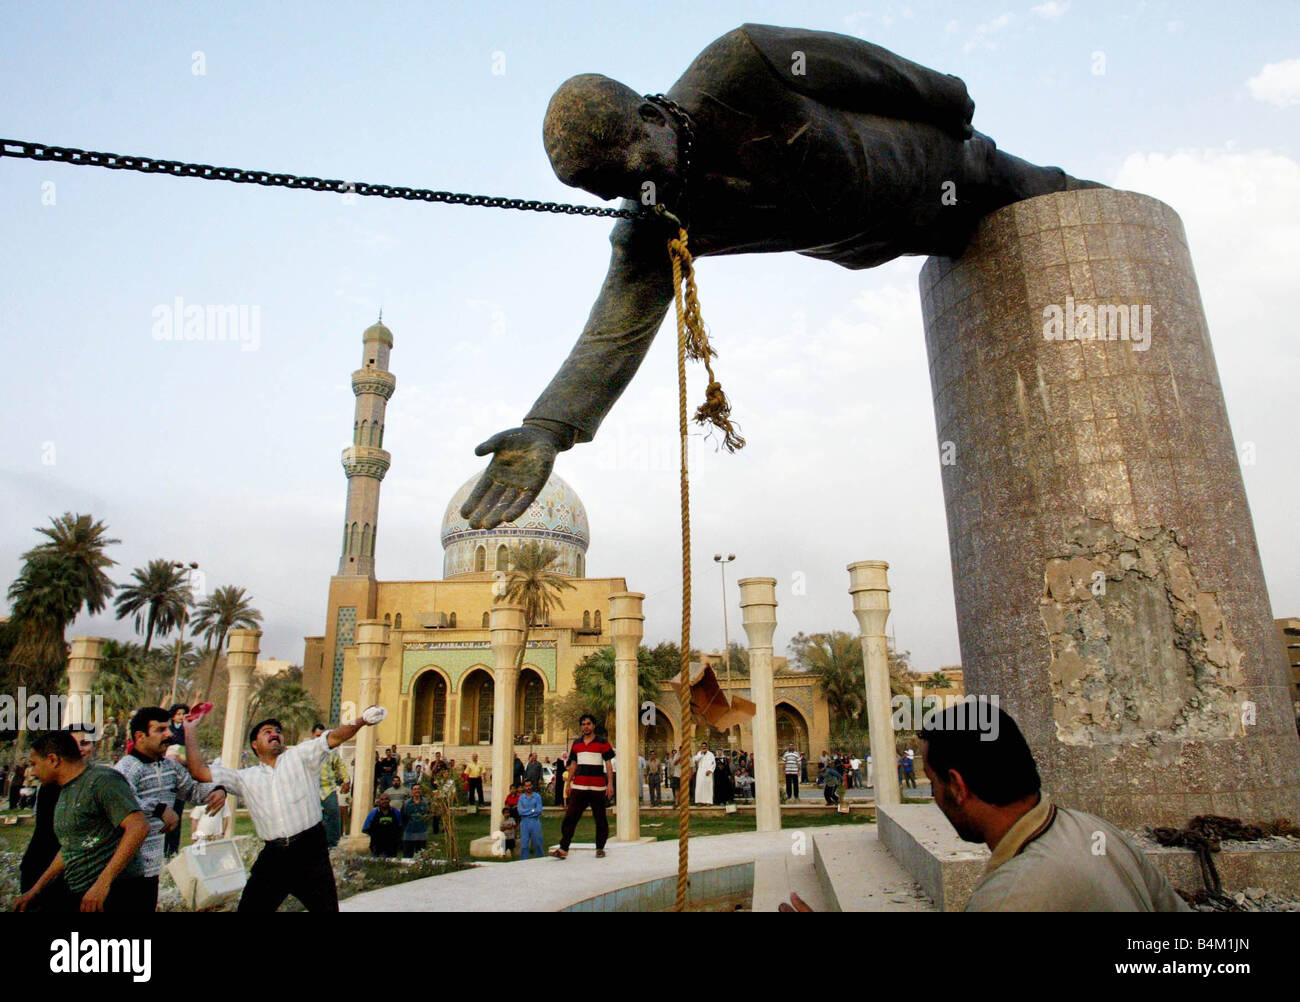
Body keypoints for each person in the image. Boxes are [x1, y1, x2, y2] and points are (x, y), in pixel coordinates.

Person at [459, 24, 1104, 531]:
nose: (632, 192)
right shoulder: (651, 223)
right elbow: (612, 331)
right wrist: (546, 429)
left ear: (652, 116)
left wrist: (944, 95)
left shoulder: (739, 67)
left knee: (1061, 206)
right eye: (610, 191)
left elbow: (859, 67)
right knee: (989, 259)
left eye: (630, 169)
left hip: (941, 165)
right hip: (887, 237)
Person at [923, 701, 1189, 912]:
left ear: (957, 786)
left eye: (933, 783)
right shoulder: (1098, 831)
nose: (934, 795)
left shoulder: (1005, 900)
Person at [179, 709, 381, 911]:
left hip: (310, 852)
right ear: (254, 745)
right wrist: (189, 730)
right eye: (267, 731)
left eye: (277, 731)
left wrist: (361, 720)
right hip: (274, 857)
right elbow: (199, 771)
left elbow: (334, 737)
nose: (274, 734)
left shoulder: (301, 757)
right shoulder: (245, 778)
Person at [15, 730, 151, 913]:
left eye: (34, 764)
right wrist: (35, 890)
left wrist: (102, 884)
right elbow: (71, 846)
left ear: (53, 760)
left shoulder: (102, 780)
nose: (32, 771)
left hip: (116, 892)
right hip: (84, 894)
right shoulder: (64, 790)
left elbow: (138, 827)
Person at [114, 707, 227, 909]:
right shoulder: (127, 767)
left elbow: (192, 790)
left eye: (168, 729)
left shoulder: (170, 767)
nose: (169, 734)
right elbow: (120, 801)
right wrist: (158, 809)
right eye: (160, 730)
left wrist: (218, 789)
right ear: (140, 736)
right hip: (123, 867)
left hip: (152, 868)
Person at [17, 726, 99, 912]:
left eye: (85, 743)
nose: (79, 749)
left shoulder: (99, 782)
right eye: (73, 743)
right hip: (45, 870)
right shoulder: (51, 786)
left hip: (73, 873)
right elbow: (52, 836)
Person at [552, 713, 614, 859]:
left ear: (593, 726)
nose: (586, 727)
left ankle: (600, 848)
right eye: (583, 724)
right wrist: (568, 783)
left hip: (597, 787)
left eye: (588, 724)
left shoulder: (602, 742)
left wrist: (610, 784)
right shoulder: (577, 743)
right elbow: (573, 764)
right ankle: (563, 848)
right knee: (570, 817)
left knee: (600, 819)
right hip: (579, 786)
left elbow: (609, 764)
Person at [312, 722, 352, 848]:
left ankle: (333, 845)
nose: (319, 739)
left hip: (328, 788)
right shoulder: (305, 751)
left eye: (321, 737)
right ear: (312, 735)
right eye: (317, 736)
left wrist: (346, 780)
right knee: (313, 819)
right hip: (311, 789)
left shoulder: (331, 751)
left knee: (334, 813)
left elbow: (340, 765)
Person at [363, 793, 402, 858]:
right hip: (377, 845)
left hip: (392, 845)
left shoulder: (396, 812)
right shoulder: (373, 813)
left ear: (389, 800)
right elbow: (366, 828)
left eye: (386, 799)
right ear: (379, 801)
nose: (384, 801)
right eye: (382, 799)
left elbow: (400, 827)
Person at [517, 778, 545, 860]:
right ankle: (524, 862)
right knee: (524, 845)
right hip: (524, 823)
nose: (528, 788)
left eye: (529, 785)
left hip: (535, 822)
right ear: (524, 787)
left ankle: (540, 861)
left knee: (537, 844)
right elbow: (520, 811)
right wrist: (532, 810)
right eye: (526, 786)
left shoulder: (537, 796)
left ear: (532, 786)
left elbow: (539, 810)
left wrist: (527, 811)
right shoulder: (522, 798)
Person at [400, 784, 430, 858]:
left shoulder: (426, 802)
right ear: (412, 791)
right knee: (407, 855)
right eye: (415, 789)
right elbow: (403, 816)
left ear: (421, 790)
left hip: (422, 833)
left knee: (421, 855)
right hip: (409, 833)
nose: (417, 790)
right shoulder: (406, 803)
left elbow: (429, 814)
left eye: (418, 789)